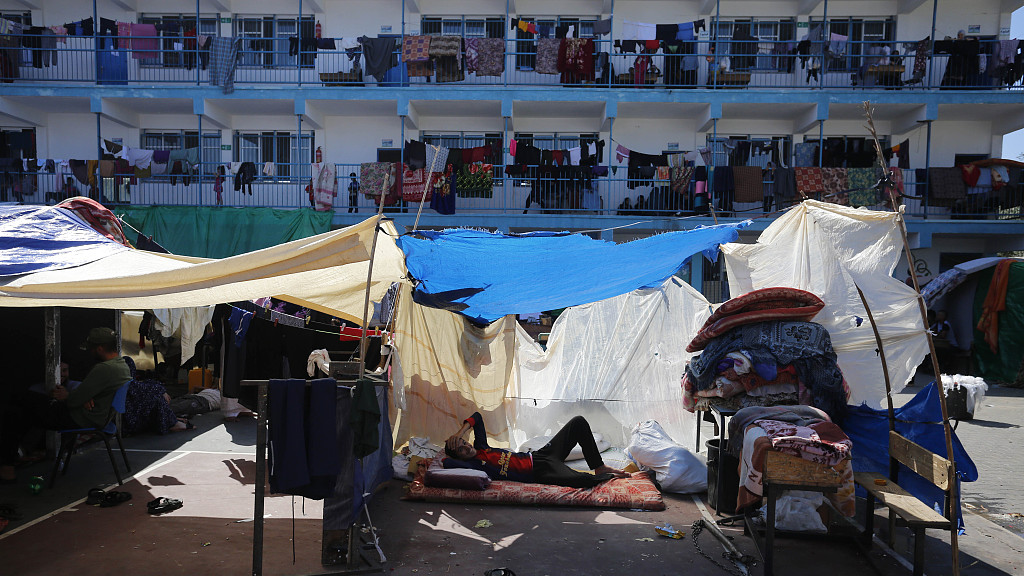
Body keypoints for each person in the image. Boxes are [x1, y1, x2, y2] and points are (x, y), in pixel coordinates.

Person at [0, 327, 131, 482]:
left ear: (100, 348)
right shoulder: (122, 365)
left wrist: (70, 396)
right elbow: (86, 394)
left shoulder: (103, 369)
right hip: (98, 416)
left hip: (78, 417)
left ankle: (7, 464)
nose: (90, 352)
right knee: (20, 409)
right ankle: (11, 460)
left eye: (92, 349)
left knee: (17, 405)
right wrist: (82, 396)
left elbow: (74, 400)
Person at [444, 412, 627, 488]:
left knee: (578, 422)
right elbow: (446, 462)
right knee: (582, 480)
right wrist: (452, 451)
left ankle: (599, 466)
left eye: (464, 443)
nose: (466, 447)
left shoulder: (482, 446)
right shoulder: (475, 467)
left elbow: (477, 417)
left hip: (542, 455)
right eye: (461, 449)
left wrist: (458, 434)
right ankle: (606, 477)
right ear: (460, 458)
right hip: (540, 472)